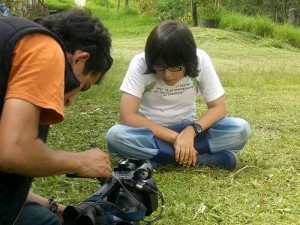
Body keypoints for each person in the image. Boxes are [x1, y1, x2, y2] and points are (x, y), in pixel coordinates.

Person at [0, 8, 113, 225]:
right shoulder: (45, 47)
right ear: (80, 59)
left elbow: (8, 179)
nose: (70, 100)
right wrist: (80, 162)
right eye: (84, 86)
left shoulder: (16, 39)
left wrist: (54, 208)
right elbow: (14, 153)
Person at [106, 20, 250, 171]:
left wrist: (190, 132)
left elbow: (218, 108)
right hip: (151, 133)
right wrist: (176, 139)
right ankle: (202, 159)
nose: (167, 74)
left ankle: (157, 159)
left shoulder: (201, 60)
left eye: (175, 66)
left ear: (188, 61)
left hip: (189, 130)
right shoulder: (139, 63)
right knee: (116, 136)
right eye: (159, 66)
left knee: (240, 129)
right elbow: (127, 116)